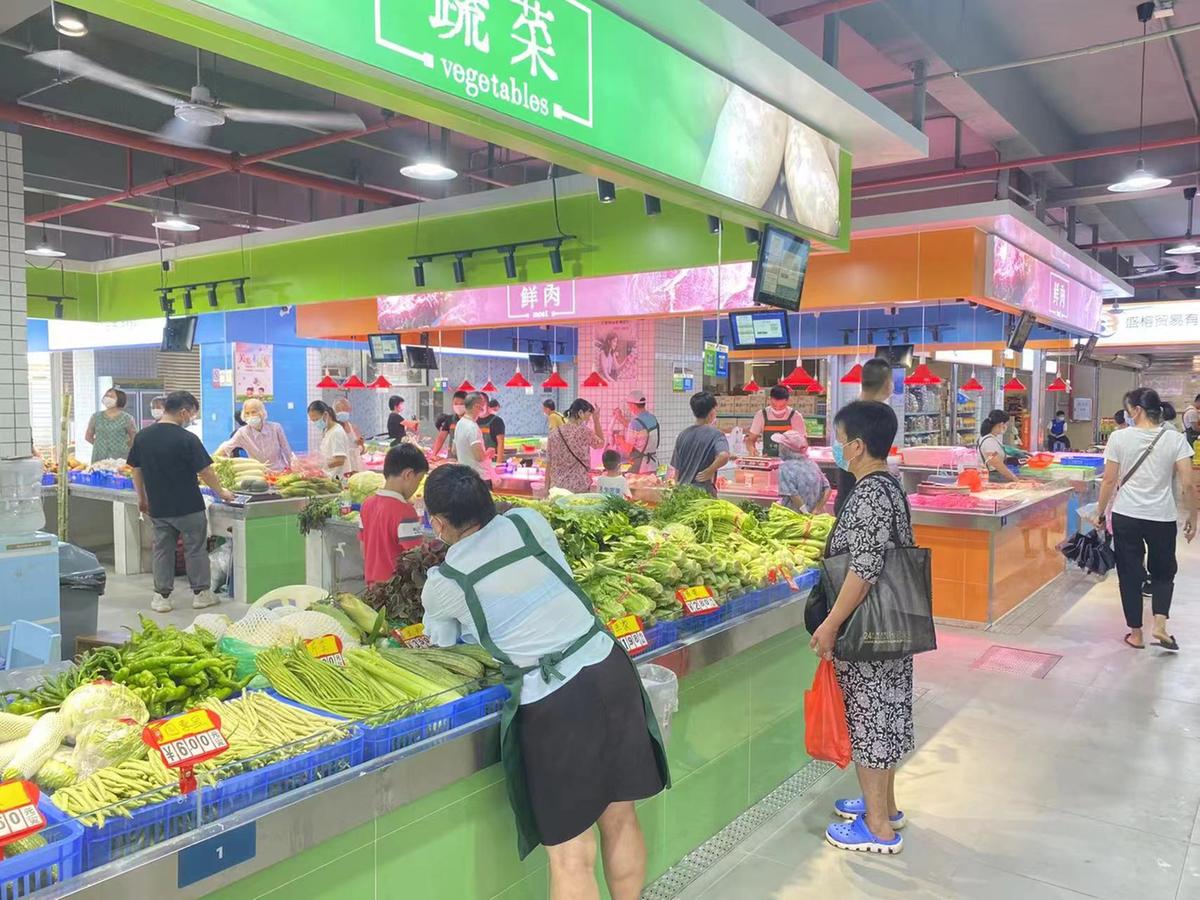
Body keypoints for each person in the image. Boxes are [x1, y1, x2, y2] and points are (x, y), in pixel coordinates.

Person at [420, 466, 669, 896]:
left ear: (439, 523)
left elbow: (443, 642)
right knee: (620, 816)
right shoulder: (528, 522)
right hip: (608, 666)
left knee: (571, 853)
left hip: (556, 700)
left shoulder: (444, 583)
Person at [810, 400, 915, 855]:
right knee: (886, 716)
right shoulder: (889, 485)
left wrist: (831, 624)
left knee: (869, 719)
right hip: (893, 623)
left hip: (867, 629)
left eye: (839, 440)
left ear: (856, 446)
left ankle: (877, 829)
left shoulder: (869, 494)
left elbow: (865, 568)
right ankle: (884, 807)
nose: (836, 448)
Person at [1097, 387, 1196, 651]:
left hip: (1127, 515)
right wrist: (1193, 516)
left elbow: (1109, 480)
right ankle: (1160, 625)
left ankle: (1136, 634)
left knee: (1129, 573)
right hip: (1162, 517)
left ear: (1137, 410)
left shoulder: (1119, 438)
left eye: (1129, 410)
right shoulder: (1175, 438)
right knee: (1163, 571)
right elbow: (1188, 484)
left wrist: (1100, 512)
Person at [128, 391, 234, 613]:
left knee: (162, 550)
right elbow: (206, 471)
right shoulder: (187, 439)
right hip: (189, 505)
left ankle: (161, 597)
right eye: (192, 414)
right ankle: (201, 594)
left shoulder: (143, 437)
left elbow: (135, 470)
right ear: (184, 412)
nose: (191, 419)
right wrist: (221, 492)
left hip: (159, 506)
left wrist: (142, 498)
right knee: (195, 549)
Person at [360, 444, 429, 586]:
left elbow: (363, 547)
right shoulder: (405, 511)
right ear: (408, 475)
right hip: (396, 590)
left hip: (372, 587)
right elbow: (415, 558)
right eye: (418, 480)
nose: (417, 486)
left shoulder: (367, 504)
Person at [835, 358, 893, 516]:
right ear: (888, 384)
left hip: (846, 496)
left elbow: (840, 457)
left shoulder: (846, 415)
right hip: (865, 498)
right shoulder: (884, 417)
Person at [670, 391, 730, 496]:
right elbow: (724, 455)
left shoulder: (683, 435)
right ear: (712, 412)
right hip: (703, 496)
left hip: (682, 493)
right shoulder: (716, 435)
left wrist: (675, 491)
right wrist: (709, 471)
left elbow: (676, 471)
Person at [216, 398, 294, 470]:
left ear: (261, 412)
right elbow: (226, 447)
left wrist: (292, 467)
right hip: (257, 473)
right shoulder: (242, 433)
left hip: (279, 471)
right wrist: (214, 459)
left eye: (253, 412)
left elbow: (286, 449)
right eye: (247, 413)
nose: (250, 416)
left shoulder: (276, 428)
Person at [547, 399, 604, 493]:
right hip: (578, 486)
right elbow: (601, 444)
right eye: (589, 415)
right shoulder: (584, 432)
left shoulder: (554, 433)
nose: (589, 419)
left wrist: (546, 489)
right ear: (580, 413)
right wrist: (596, 420)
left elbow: (549, 462)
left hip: (557, 487)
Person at [775, 429, 830, 514]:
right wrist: (817, 509)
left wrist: (805, 513)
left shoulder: (785, 467)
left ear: (785, 448)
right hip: (815, 516)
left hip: (794, 516)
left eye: (781, 445)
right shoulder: (812, 464)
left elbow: (793, 494)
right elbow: (827, 488)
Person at [746, 385, 807, 458]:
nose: (777, 408)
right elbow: (750, 440)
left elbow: (803, 443)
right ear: (769, 400)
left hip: (790, 461)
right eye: (774, 405)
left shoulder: (796, 416)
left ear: (788, 401)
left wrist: (801, 451)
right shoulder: (761, 415)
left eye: (782, 406)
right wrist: (751, 449)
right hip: (768, 459)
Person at [86, 387, 137, 462]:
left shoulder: (127, 418)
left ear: (119, 399)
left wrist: (122, 447)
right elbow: (88, 437)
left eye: (111, 396)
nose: (107, 398)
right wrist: (100, 446)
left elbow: (134, 438)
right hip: (100, 458)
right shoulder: (96, 417)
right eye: (106, 396)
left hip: (120, 458)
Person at [454, 392, 493, 486]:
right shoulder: (472, 427)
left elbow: (454, 450)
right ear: (476, 406)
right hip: (479, 477)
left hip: (465, 476)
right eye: (482, 406)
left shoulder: (459, 423)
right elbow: (479, 457)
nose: (483, 409)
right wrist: (489, 452)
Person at [308, 401, 353, 480]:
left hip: (338, 478)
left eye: (317, 419)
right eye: (313, 421)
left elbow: (340, 460)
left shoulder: (337, 432)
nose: (315, 423)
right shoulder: (327, 430)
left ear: (326, 415)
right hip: (330, 475)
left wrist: (319, 465)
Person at [619, 390, 660, 475]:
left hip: (641, 467)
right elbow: (640, 430)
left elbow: (628, 449)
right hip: (653, 465)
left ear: (633, 405)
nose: (628, 407)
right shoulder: (652, 418)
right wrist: (620, 417)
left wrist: (619, 440)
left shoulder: (635, 423)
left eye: (628, 405)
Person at [978, 410, 1018, 483]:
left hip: (996, 476)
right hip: (994, 478)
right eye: (1006, 424)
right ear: (1001, 424)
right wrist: (1013, 477)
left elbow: (995, 455)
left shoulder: (992, 438)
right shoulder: (989, 441)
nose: (1006, 427)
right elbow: (995, 462)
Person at [432, 391, 469, 459]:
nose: (458, 406)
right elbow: (441, 437)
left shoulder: (473, 420)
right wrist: (434, 454)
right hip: (451, 458)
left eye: (461, 404)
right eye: (456, 404)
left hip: (468, 458)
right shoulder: (450, 419)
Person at [333, 397, 364, 473]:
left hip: (356, 466)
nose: (342, 412)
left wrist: (361, 444)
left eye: (345, 409)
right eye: (340, 410)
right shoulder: (334, 430)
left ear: (349, 410)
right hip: (343, 468)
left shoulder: (353, 427)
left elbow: (361, 450)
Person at [478, 397, 507, 466]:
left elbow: (501, 444)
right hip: (476, 462)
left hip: (491, 462)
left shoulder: (497, 421)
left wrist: (498, 464)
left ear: (487, 405)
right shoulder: (473, 420)